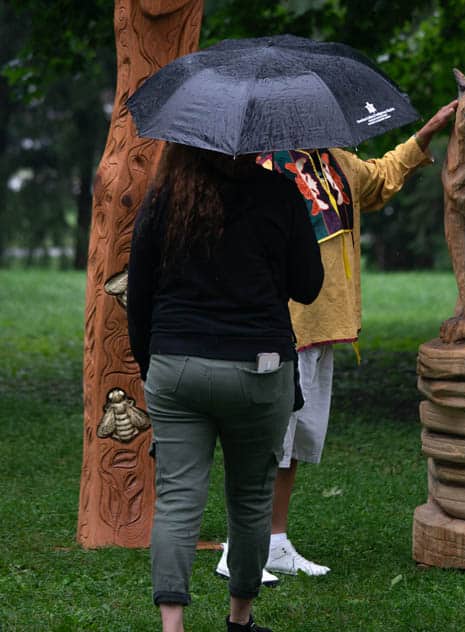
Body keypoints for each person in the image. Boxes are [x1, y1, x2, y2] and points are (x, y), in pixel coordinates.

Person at [215, 100, 458, 579]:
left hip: (325, 327)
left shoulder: (334, 161)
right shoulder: (260, 169)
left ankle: (277, 541)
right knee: (263, 442)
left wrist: (428, 131)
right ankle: (236, 548)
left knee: (295, 442)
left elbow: (382, 175)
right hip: (276, 328)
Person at [127, 143, 323, 632]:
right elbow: (308, 286)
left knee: (176, 500)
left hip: (176, 368)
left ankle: (171, 628)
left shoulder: (164, 197)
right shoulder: (281, 193)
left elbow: (140, 293)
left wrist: (152, 364)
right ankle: (240, 620)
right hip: (258, 369)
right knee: (252, 498)